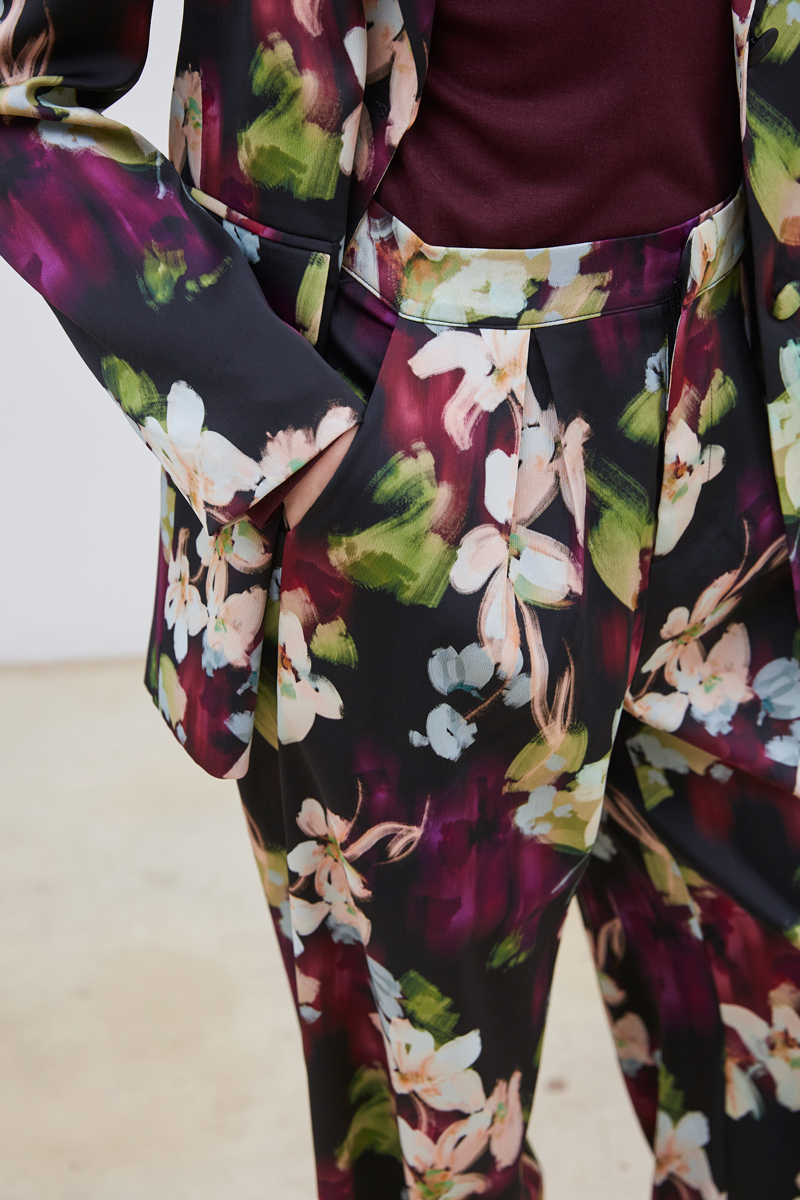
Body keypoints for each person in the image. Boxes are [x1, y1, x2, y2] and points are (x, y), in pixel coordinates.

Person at [2, 1, 800, 1197]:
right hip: (412, 472)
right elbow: (21, 84)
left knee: (773, 1091)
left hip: (744, 417)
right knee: (440, 1148)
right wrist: (289, 430)